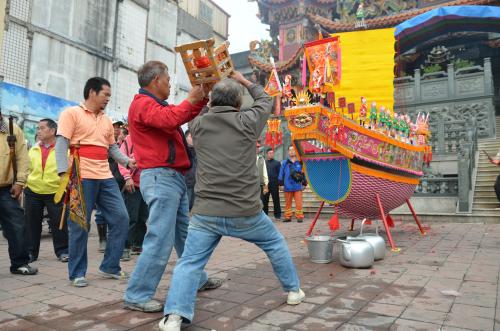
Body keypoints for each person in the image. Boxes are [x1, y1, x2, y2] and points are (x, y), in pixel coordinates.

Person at [160, 72, 304, 330]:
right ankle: (293, 291)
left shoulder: (198, 125)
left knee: (189, 263)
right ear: (238, 104)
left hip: (206, 214)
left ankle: (174, 317)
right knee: (275, 243)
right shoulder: (248, 120)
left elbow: (195, 108)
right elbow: (266, 98)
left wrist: (206, 92)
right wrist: (243, 79)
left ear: (212, 103)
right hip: (246, 211)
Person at [124, 60, 222, 313]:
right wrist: (193, 97)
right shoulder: (143, 104)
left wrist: (199, 99)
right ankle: (137, 294)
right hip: (161, 176)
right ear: (156, 80)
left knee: (183, 235)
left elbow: (180, 114)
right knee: (160, 237)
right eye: (167, 79)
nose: (169, 83)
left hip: (170, 177)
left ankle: (197, 279)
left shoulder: (154, 105)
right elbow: (172, 118)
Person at [55, 77, 134, 287]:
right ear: (92, 92)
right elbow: (62, 143)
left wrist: (128, 161)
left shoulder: (107, 120)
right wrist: (64, 173)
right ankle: (77, 273)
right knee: (80, 224)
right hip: (79, 175)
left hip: (105, 175)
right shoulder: (71, 113)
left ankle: (110, 266)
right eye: (105, 94)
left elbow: (112, 148)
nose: (108, 98)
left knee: (121, 218)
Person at [24, 119, 69, 263]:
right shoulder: (34, 149)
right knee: (32, 224)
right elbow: (26, 168)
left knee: (58, 223)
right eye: (38, 128)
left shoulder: (63, 150)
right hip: (33, 191)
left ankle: (62, 251)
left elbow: (68, 170)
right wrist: (25, 184)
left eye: (42, 128)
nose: (38, 131)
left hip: (55, 191)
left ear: (52, 131)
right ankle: (31, 253)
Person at [0, 111, 38, 275]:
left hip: (6, 188)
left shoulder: (12, 130)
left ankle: (19, 263)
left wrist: (20, 182)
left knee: (17, 225)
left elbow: (22, 158)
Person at [95, 120, 127, 253]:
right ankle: (102, 239)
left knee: (120, 211)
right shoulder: (102, 142)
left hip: (119, 180)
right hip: (103, 178)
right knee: (101, 211)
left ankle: (116, 242)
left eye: (118, 127)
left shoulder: (122, 144)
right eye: (114, 127)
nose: (116, 129)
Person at [118, 133, 148, 258]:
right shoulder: (127, 141)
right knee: (132, 217)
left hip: (147, 185)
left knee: (143, 217)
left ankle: (138, 245)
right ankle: (125, 247)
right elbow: (121, 161)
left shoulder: (149, 138)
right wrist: (127, 177)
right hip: (132, 184)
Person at [279, 145, 306, 223]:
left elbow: (304, 173)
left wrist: (304, 183)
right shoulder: (284, 163)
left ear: (295, 151)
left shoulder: (300, 162)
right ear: (288, 152)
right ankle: (288, 217)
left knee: (299, 203)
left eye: (293, 150)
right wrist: (280, 184)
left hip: (297, 186)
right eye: (290, 150)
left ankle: (299, 217)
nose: (292, 151)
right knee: (288, 203)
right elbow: (281, 173)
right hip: (287, 186)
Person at [263, 148, 282, 221]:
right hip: (266, 185)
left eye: (272, 153)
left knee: (276, 200)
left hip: (274, 184)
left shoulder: (277, 163)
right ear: (267, 154)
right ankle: (265, 216)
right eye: (269, 153)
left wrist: (280, 184)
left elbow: (280, 174)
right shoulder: (264, 163)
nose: (271, 154)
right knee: (265, 200)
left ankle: (277, 215)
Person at [184, 130, 196, 211]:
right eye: (191, 137)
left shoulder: (197, 151)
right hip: (186, 184)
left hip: (195, 184)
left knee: (192, 206)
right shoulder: (183, 149)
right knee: (186, 207)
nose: (194, 139)